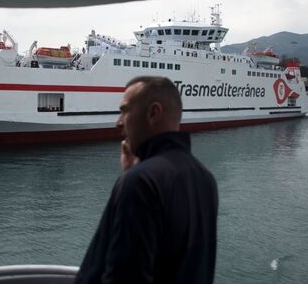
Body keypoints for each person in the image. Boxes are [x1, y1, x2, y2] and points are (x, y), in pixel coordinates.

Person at [74, 76, 218, 284]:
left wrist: (130, 178)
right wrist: (133, 172)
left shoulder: (140, 182)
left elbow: (125, 277)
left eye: (124, 111)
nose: (118, 123)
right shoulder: (205, 179)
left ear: (153, 113)